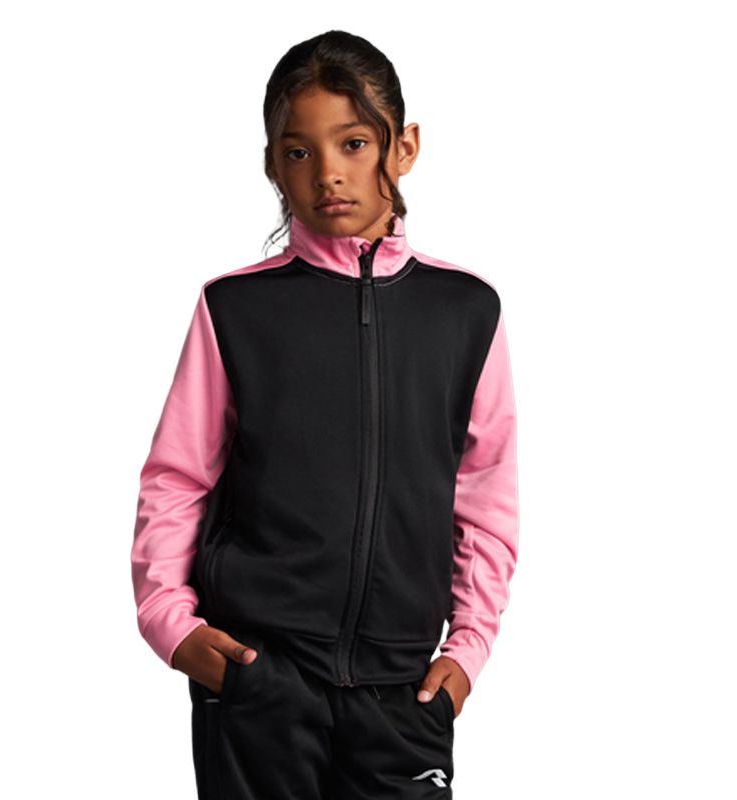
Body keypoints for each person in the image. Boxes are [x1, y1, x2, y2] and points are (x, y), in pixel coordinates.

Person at [131, 29, 519, 799]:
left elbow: (485, 493)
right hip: (257, 678)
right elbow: (176, 478)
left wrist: (468, 649)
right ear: (272, 165)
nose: (328, 173)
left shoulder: (465, 311)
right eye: (299, 151)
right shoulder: (236, 309)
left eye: (353, 143)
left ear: (403, 147)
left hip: (402, 690)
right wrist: (171, 625)